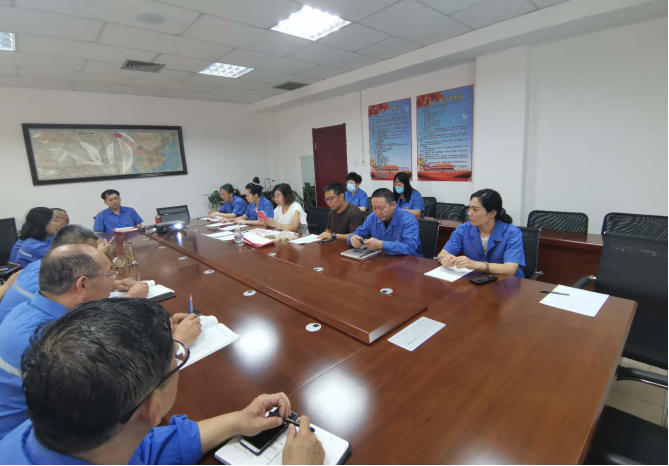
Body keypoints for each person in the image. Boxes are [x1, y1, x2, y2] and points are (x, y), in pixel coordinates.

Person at [0, 299, 325, 465]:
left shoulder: (57, 434)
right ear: (153, 406)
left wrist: (237, 422)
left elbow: (144, 447)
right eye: (177, 358)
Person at [0, 225, 146, 324]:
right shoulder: (55, 329)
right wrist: (131, 298)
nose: (98, 254)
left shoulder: (43, 266)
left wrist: (112, 284)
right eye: (91, 251)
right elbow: (90, 321)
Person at [436, 189, 526, 278]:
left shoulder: (512, 233)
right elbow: (442, 254)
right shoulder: (463, 229)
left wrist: (476, 265)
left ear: (492, 213)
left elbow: (510, 269)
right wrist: (444, 259)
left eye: (475, 209)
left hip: (506, 282)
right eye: (469, 208)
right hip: (476, 280)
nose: (469, 213)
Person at [348, 188, 422, 257]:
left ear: (393, 205)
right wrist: (352, 238)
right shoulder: (372, 217)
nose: (377, 213)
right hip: (383, 259)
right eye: (374, 208)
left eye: (381, 208)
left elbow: (410, 248)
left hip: (409, 261)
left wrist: (382, 245)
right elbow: (358, 233)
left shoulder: (408, 219)